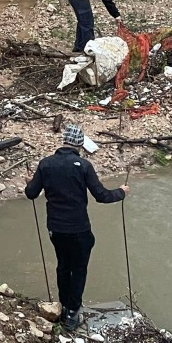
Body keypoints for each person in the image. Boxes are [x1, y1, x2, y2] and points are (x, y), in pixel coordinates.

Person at [24, 124, 129, 330]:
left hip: (56, 229)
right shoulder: (84, 166)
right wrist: (121, 192)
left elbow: (31, 193)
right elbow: (102, 196)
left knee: (63, 265)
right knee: (79, 268)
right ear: (80, 145)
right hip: (79, 228)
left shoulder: (45, 164)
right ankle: (72, 313)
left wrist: (31, 182)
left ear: (63, 141)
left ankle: (63, 306)